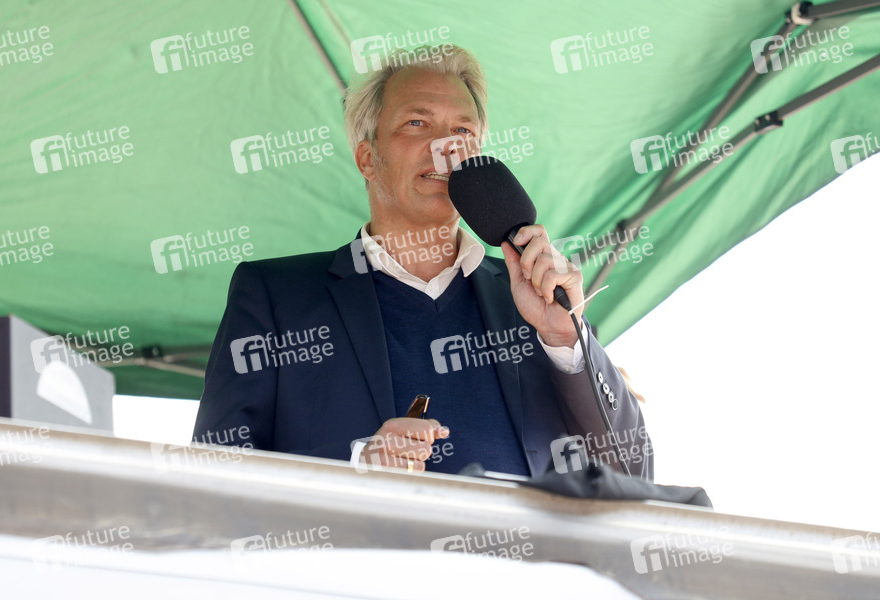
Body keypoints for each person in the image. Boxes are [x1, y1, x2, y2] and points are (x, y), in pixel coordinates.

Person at [193, 44, 652, 479]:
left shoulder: (538, 303)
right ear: (367, 159)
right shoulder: (276, 297)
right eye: (417, 123)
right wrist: (356, 467)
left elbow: (635, 474)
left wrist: (567, 339)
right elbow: (213, 474)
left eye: (463, 132)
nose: (445, 147)